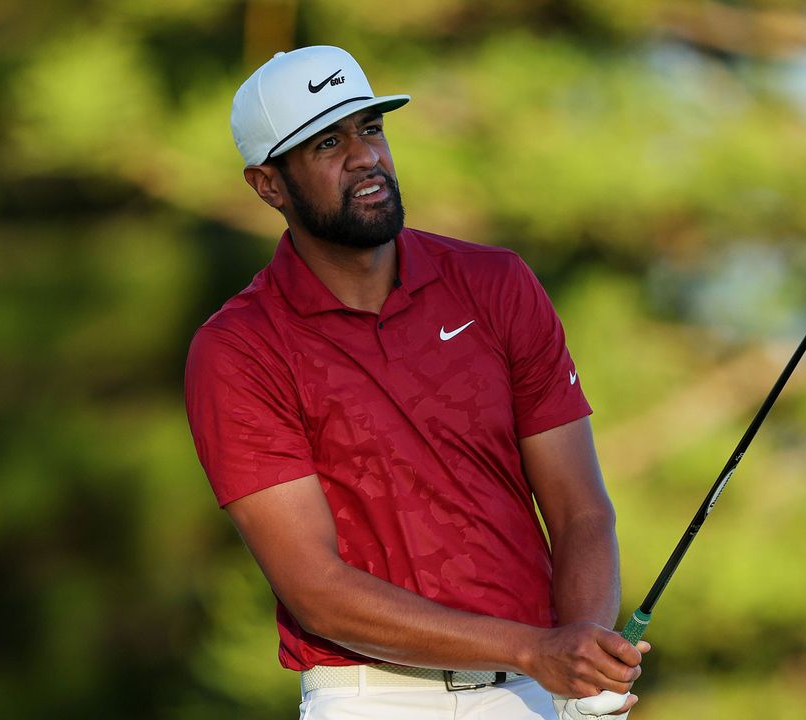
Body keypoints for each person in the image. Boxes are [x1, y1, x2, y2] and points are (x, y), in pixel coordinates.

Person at [184, 45, 648, 720]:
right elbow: (316, 589)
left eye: (371, 129)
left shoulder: (495, 284)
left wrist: (578, 666)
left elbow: (581, 509)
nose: (366, 158)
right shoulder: (239, 349)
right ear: (268, 185)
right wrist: (537, 650)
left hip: (533, 696)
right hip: (372, 700)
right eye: (327, 144)